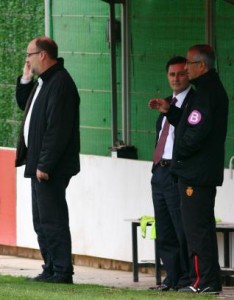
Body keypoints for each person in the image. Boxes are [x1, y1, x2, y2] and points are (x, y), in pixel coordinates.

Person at [153, 45, 229, 294]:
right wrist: (171, 113)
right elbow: (190, 123)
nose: (185, 67)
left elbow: (195, 133)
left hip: (196, 174)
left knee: (196, 231)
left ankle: (203, 281)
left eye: (189, 63)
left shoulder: (206, 93)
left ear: (202, 66)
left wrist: (178, 157)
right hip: (198, 172)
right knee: (199, 228)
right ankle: (207, 281)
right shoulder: (206, 91)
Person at [15, 36, 80, 284]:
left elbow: (58, 129)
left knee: (52, 219)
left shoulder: (60, 83)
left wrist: (45, 164)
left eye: (29, 55)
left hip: (49, 167)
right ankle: (51, 267)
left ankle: (62, 271)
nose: (27, 60)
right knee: (41, 220)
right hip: (38, 163)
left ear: (42, 55)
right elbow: (25, 104)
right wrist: (25, 79)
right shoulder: (44, 81)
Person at [148, 56, 194, 291]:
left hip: (177, 174)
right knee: (164, 229)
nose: (176, 79)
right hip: (160, 172)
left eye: (181, 74)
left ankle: (187, 278)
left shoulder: (193, 103)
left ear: (189, 75)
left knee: (180, 228)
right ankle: (172, 277)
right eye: (172, 75)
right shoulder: (166, 102)